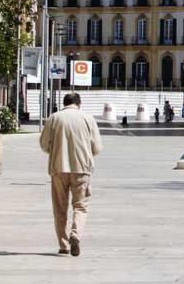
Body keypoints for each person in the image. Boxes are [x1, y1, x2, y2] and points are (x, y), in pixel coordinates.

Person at [39, 92, 102, 257]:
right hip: (81, 168)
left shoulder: (54, 118)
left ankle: (64, 244)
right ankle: (76, 234)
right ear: (79, 104)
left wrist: (55, 151)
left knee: (60, 207)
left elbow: (44, 144)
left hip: (58, 168)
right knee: (80, 206)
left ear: (64, 103)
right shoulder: (88, 118)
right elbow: (97, 147)